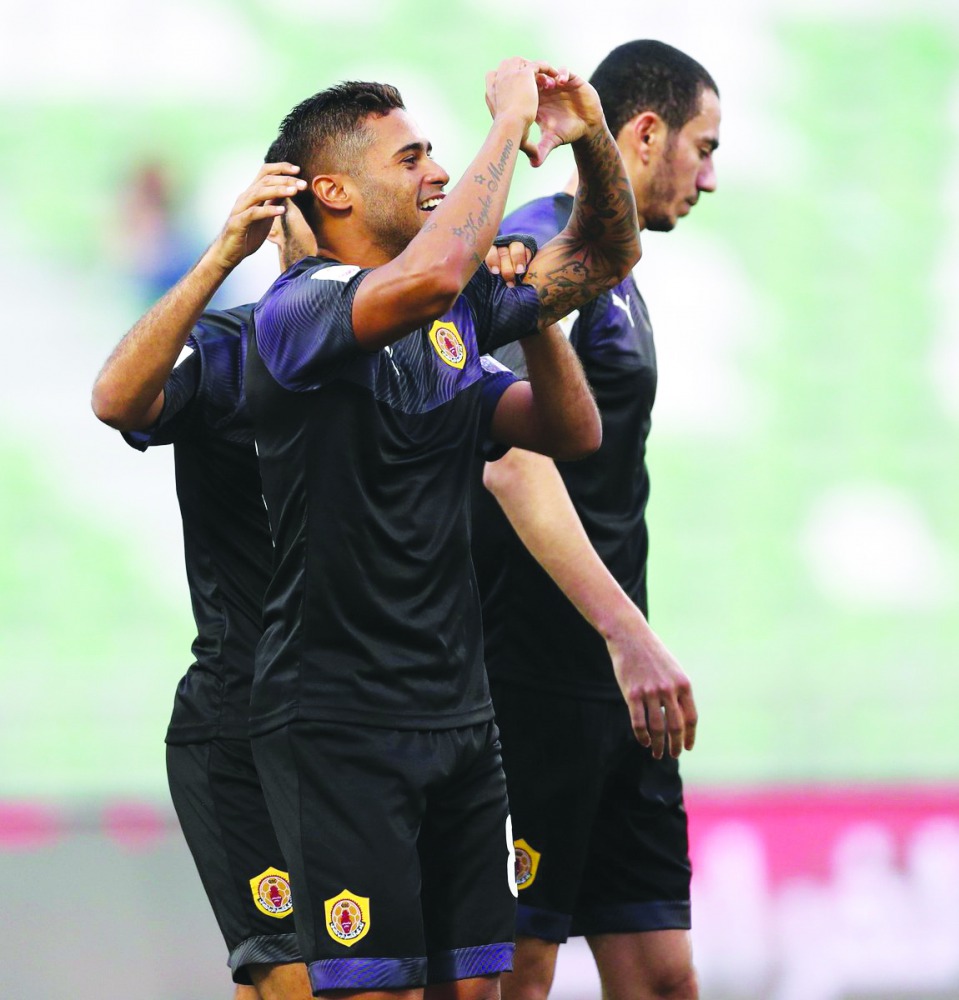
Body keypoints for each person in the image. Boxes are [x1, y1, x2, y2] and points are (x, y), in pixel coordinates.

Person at [91, 153, 544, 1000]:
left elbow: (545, 434)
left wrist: (533, 298)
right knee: (307, 985)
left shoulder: (416, 358)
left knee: (460, 984)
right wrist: (220, 256)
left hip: (377, 714)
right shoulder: (240, 348)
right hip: (249, 719)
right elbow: (118, 396)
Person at [244, 58, 641, 1000]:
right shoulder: (299, 308)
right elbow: (428, 281)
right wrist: (505, 126)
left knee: (476, 992)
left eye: (436, 153)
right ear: (332, 189)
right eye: (411, 156)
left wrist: (585, 138)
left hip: (460, 718)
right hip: (341, 721)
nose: (435, 172)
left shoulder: (449, 312)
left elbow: (603, 266)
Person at [473, 40, 720, 1000]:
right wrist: (630, 637)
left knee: (661, 975)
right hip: (536, 673)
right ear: (644, 131)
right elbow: (510, 468)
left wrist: (630, 652)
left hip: (618, 689)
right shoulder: (543, 245)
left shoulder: (618, 268)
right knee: (517, 971)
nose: (710, 175)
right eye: (701, 147)